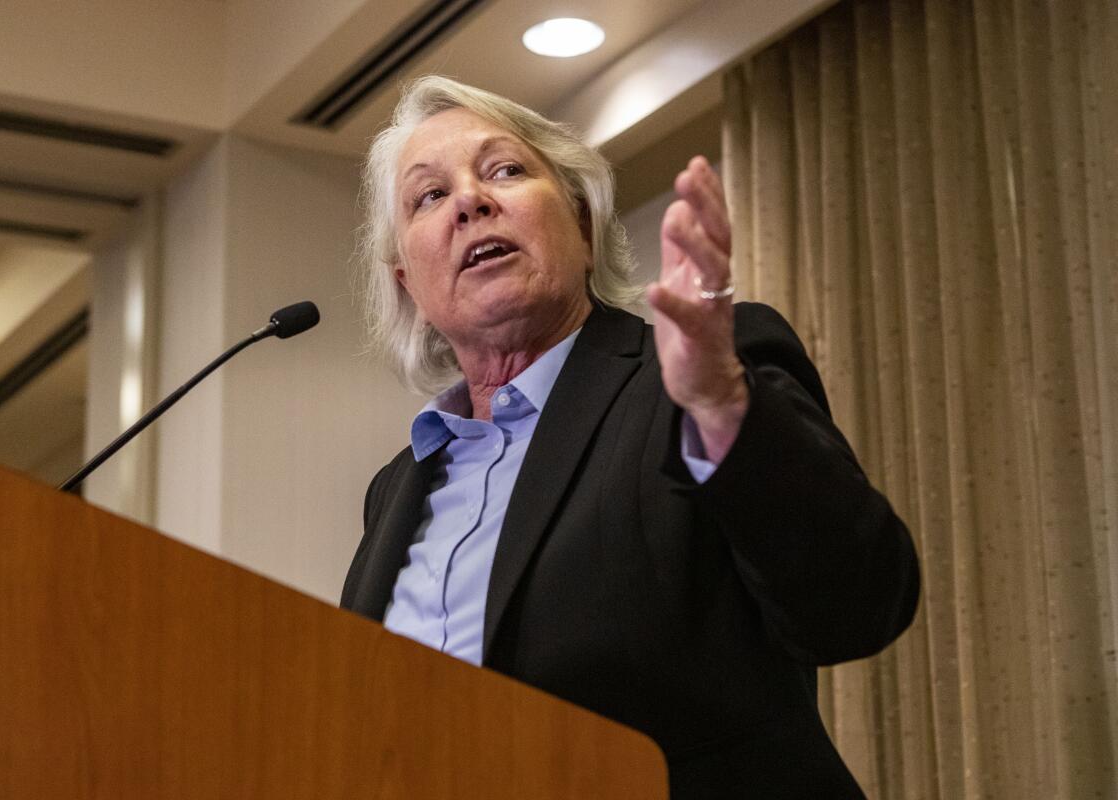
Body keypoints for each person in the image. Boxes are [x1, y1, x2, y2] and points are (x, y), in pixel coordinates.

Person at [341, 76, 919, 799]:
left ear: (583, 226)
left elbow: (855, 606)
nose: (470, 201)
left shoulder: (699, 379)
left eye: (505, 170)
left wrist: (720, 403)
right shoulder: (395, 489)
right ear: (406, 285)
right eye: (430, 195)